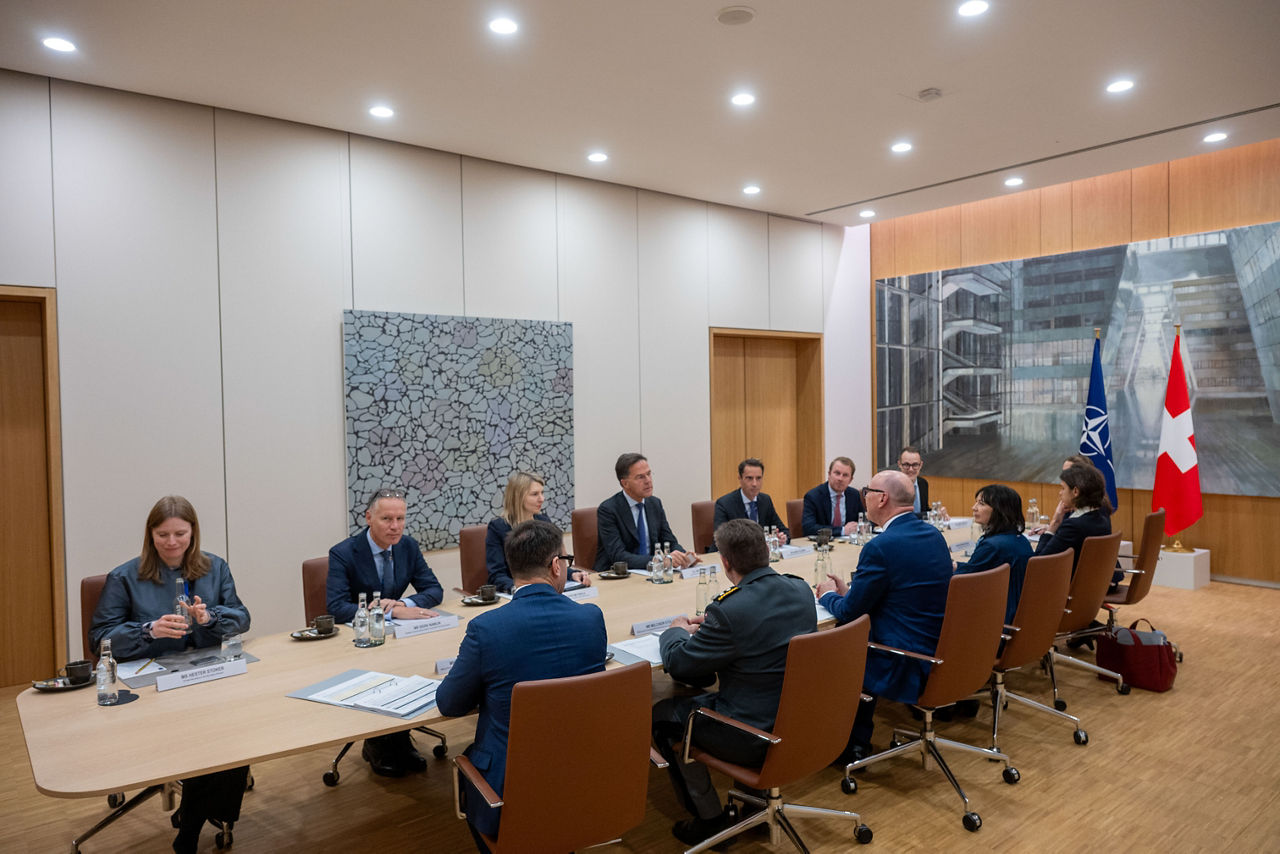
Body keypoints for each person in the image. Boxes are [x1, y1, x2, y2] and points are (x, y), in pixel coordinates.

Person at [89, 496, 251, 854]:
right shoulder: (124, 577)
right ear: (151, 535)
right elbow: (99, 639)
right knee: (207, 736)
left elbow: (242, 617)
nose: (172, 542)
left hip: (205, 675)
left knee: (234, 729)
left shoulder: (215, 567)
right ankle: (191, 828)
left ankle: (194, 818)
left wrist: (209, 618)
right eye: (163, 535)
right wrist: (148, 630)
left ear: (193, 533)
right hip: (151, 684)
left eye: (180, 534)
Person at [437, 520, 607, 851]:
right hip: (584, 778)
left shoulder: (487, 629)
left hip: (510, 794)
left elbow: (450, 703)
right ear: (556, 566)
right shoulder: (590, 618)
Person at [652, 519, 816, 845]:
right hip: (798, 723)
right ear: (766, 550)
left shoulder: (729, 609)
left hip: (751, 734)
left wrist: (675, 631)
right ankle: (756, 807)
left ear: (725, 563)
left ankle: (710, 820)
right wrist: (715, 629)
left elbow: (679, 662)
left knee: (662, 716)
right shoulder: (800, 590)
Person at [816, 471, 952, 760]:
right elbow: (901, 590)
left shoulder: (880, 546)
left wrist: (827, 595)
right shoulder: (933, 535)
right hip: (938, 647)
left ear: (882, 498)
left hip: (902, 656)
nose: (863, 496)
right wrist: (852, 592)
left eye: (867, 491)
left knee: (834, 644)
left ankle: (851, 745)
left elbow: (850, 612)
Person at [326, 487, 444, 777]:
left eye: (400, 519)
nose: (395, 526)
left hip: (397, 639)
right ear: (369, 518)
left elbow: (434, 590)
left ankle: (400, 737)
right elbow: (337, 607)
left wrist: (404, 604)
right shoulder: (344, 553)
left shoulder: (408, 546)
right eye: (387, 519)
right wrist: (388, 612)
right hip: (358, 642)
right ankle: (378, 743)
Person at [485, 471, 590, 592]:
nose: (542, 499)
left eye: (542, 493)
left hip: (546, 590)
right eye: (535, 494)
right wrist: (518, 588)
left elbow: (552, 564)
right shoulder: (498, 527)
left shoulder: (544, 521)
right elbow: (497, 575)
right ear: (518, 497)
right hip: (516, 593)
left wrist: (572, 574)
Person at [593, 452, 697, 571]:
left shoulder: (654, 504)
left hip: (650, 573)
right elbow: (618, 556)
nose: (648, 480)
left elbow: (669, 541)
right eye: (640, 477)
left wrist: (684, 556)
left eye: (648, 474)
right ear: (625, 483)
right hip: (617, 574)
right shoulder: (608, 510)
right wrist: (659, 560)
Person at [954, 484, 1033, 625]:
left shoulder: (992, 546)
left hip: (997, 617)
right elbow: (979, 568)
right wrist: (956, 565)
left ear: (999, 510)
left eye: (981, 504)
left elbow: (966, 580)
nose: (974, 508)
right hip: (1019, 613)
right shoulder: (1020, 539)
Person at [1034, 463, 1112, 572]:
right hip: (1097, 581)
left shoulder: (1074, 526)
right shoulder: (1102, 517)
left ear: (1075, 491)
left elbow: (1039, 563)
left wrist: (1054, 523)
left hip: (1071, 582)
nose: (1060, 493)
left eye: (1063, 488)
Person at [712, 457, 788, 542]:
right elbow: (721, 539)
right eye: (749, 478)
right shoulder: (725, 504)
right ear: (740, 479)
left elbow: (783, 530)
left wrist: (782, 538)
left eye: (758, 478)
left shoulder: (765, 500)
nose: (755, 484)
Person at [800, 456, 865, 537]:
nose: (840, 478)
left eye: (845, 475)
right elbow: (808, 528)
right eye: (837, 473)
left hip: (848, 542)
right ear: (829, 474)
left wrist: (860, 527)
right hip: (824, 542)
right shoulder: (813, 496)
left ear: (850, 480)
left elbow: (865, 520)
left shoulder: (854, 495)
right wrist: (842, 530)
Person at [898, 446, 946, 519]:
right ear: (899, 464)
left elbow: (924, 510)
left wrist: (938, 512)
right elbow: (901, 516)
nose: (911, 469)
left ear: (920, 465)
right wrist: (930, 514)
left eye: (915, 465)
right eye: (906, 465)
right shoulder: (893, 486)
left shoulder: (923, 484)